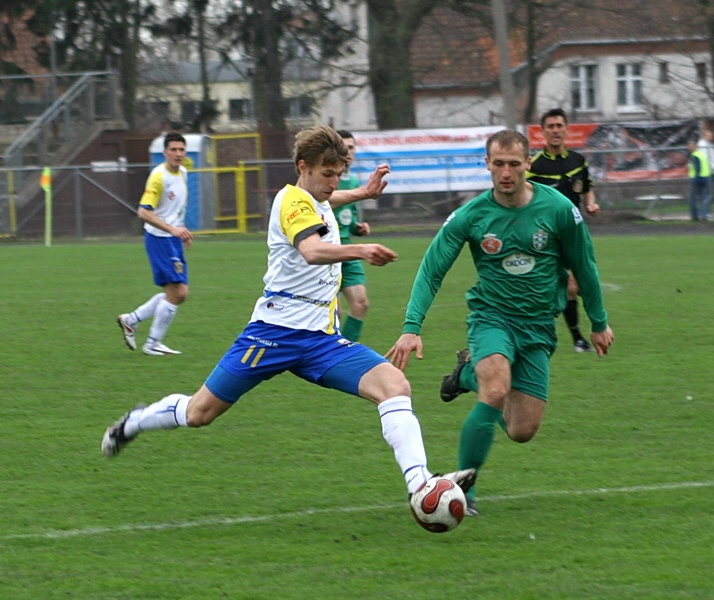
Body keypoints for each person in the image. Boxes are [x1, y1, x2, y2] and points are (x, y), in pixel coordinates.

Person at [101, 125, 475, 516]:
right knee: (199, 414)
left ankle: (420, 484)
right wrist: (359, 249)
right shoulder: (292, 201)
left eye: (338, 174)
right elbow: (312, 251)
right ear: (303, 167)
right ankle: (134, 422)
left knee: (394, 385)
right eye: (326, 174)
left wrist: (362, 193)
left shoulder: (317, 197)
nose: (333, 183)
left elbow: (330, 200)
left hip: (321, 342)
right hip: (272, 335)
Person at [386, 129, 614, 515]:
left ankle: (466, 375)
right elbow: (432, 268)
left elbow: (585, 265)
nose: (506, 172)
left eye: (513, 163)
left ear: (528, 163)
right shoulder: (473, 214)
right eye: (498, 164)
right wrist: (412, 326)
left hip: (539, 326)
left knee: (521, 431)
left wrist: (598, 320)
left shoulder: (558, 210)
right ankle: (463, 492)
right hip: (491, 318)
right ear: (487, 165)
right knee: (495, 390)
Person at [526, 108, 601, 353]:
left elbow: (586, 186)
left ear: (566, 129)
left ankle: (549, 314)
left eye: (559, 125)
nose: (556, 130)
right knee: (570, 286)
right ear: (543, 131)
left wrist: (591, 202)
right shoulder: (535, 166)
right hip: (548, 235)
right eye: (551, 126)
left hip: (576, 232)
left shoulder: (578, 161)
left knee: (579, 285)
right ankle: (578, 338)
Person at [116, 132, 193, 356]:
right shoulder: (158, 177)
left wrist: (182, 231)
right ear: (165, 152)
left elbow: (174, 210)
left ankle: (131, 320)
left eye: (181, 150)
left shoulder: (184, 173)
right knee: (177, 293)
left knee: (179, 293)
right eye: (174, 150)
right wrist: (172, 229)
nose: (178, 154)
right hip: (159, 239)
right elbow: (143, 212)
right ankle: (151, 343)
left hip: (173, 239)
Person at [334, 129, 371, 342]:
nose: (348, 152)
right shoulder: (326, 177)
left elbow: (347, 218)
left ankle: (344, 351)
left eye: (351, 147)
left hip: (347, 248)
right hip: (325, 249)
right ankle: (327, 357)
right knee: (332, 314)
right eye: (343, 147)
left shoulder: (352, 181)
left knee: (361, 303)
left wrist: (358, 228)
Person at [687, 137, 712, 221]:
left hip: (698, 178)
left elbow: (698, 167)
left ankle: (694, 216)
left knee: (692, 198)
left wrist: (696, 178)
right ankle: (704, 215)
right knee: (704, 197)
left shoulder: (695, 155)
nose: (689, 148)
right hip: (706, 177)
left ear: (694, 146)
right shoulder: (702, 154)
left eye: (690, 146)